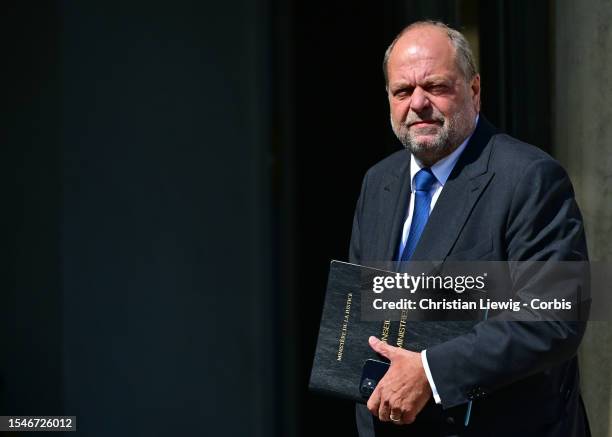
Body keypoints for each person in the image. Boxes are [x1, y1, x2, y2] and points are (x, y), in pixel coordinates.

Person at [349, 21, 590, 436]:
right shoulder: (379, 182)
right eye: (403, 91)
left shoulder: (529, 177)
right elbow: (359, 307)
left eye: (436, 87)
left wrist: (430, 372)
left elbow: (553, 317)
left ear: (474, 90)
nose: (418, 103)